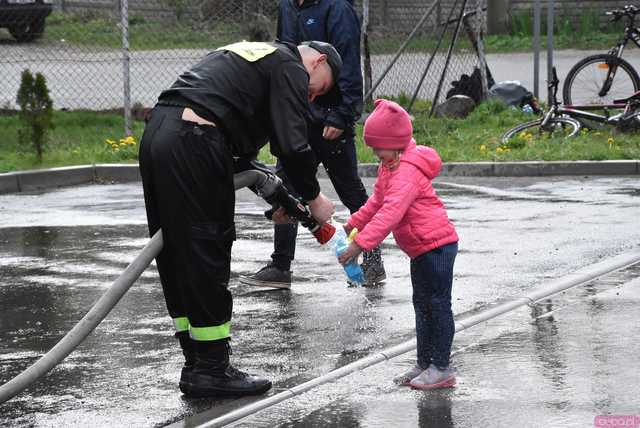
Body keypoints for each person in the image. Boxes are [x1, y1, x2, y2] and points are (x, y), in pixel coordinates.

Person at [139, 40, 340, 397]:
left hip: (162, 133)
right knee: (205, 248)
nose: (312, 97)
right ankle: (213, 369)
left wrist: (281, 199)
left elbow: (242, 160)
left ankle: (196, 365)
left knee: (177, 254)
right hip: (195, 138)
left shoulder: (254, 56)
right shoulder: (291, 65)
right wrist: (314, 198)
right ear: (319, 61)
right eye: (320, 87)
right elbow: (292, 146)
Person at [239, 0, 386, 289]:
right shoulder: (287, 7)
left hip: (330, 119)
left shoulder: (337, 9)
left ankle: (373, 260)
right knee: (286, 187)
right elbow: (284, 55)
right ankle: (281, 267)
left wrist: (343, 115)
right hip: (295, 115)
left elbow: (348, 64)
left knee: (350, 190)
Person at [337, 99, 459, 390]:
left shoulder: (406, 172)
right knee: (422, 305)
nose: (375, 153)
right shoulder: (389, 165)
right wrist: (353, 223)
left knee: (438, 305)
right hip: (419, 249)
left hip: (437, 246)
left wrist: (360, 245)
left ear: (395, 143)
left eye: (378, 147)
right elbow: (377, 202)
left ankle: (441, 367)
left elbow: (391, 213)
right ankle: (424, 362)